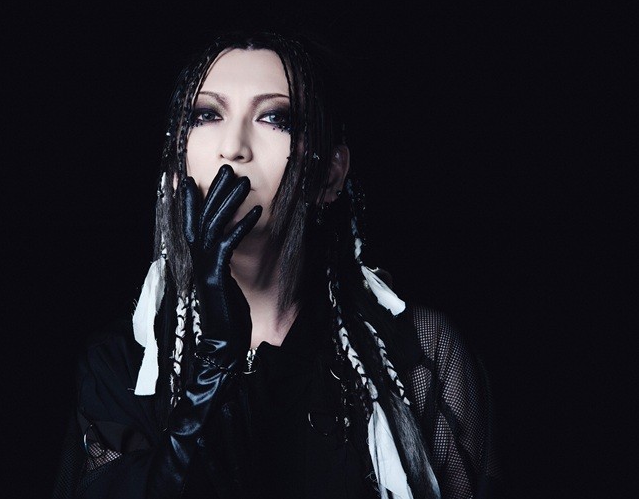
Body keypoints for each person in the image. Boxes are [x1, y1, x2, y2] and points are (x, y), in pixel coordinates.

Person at [53, 32, 500, 499]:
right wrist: (214, 361)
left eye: (274, 118)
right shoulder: (120, 365)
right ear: (175, 164)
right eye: (206, 114)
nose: (234, 147)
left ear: (330, 174)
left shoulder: (419, 352)